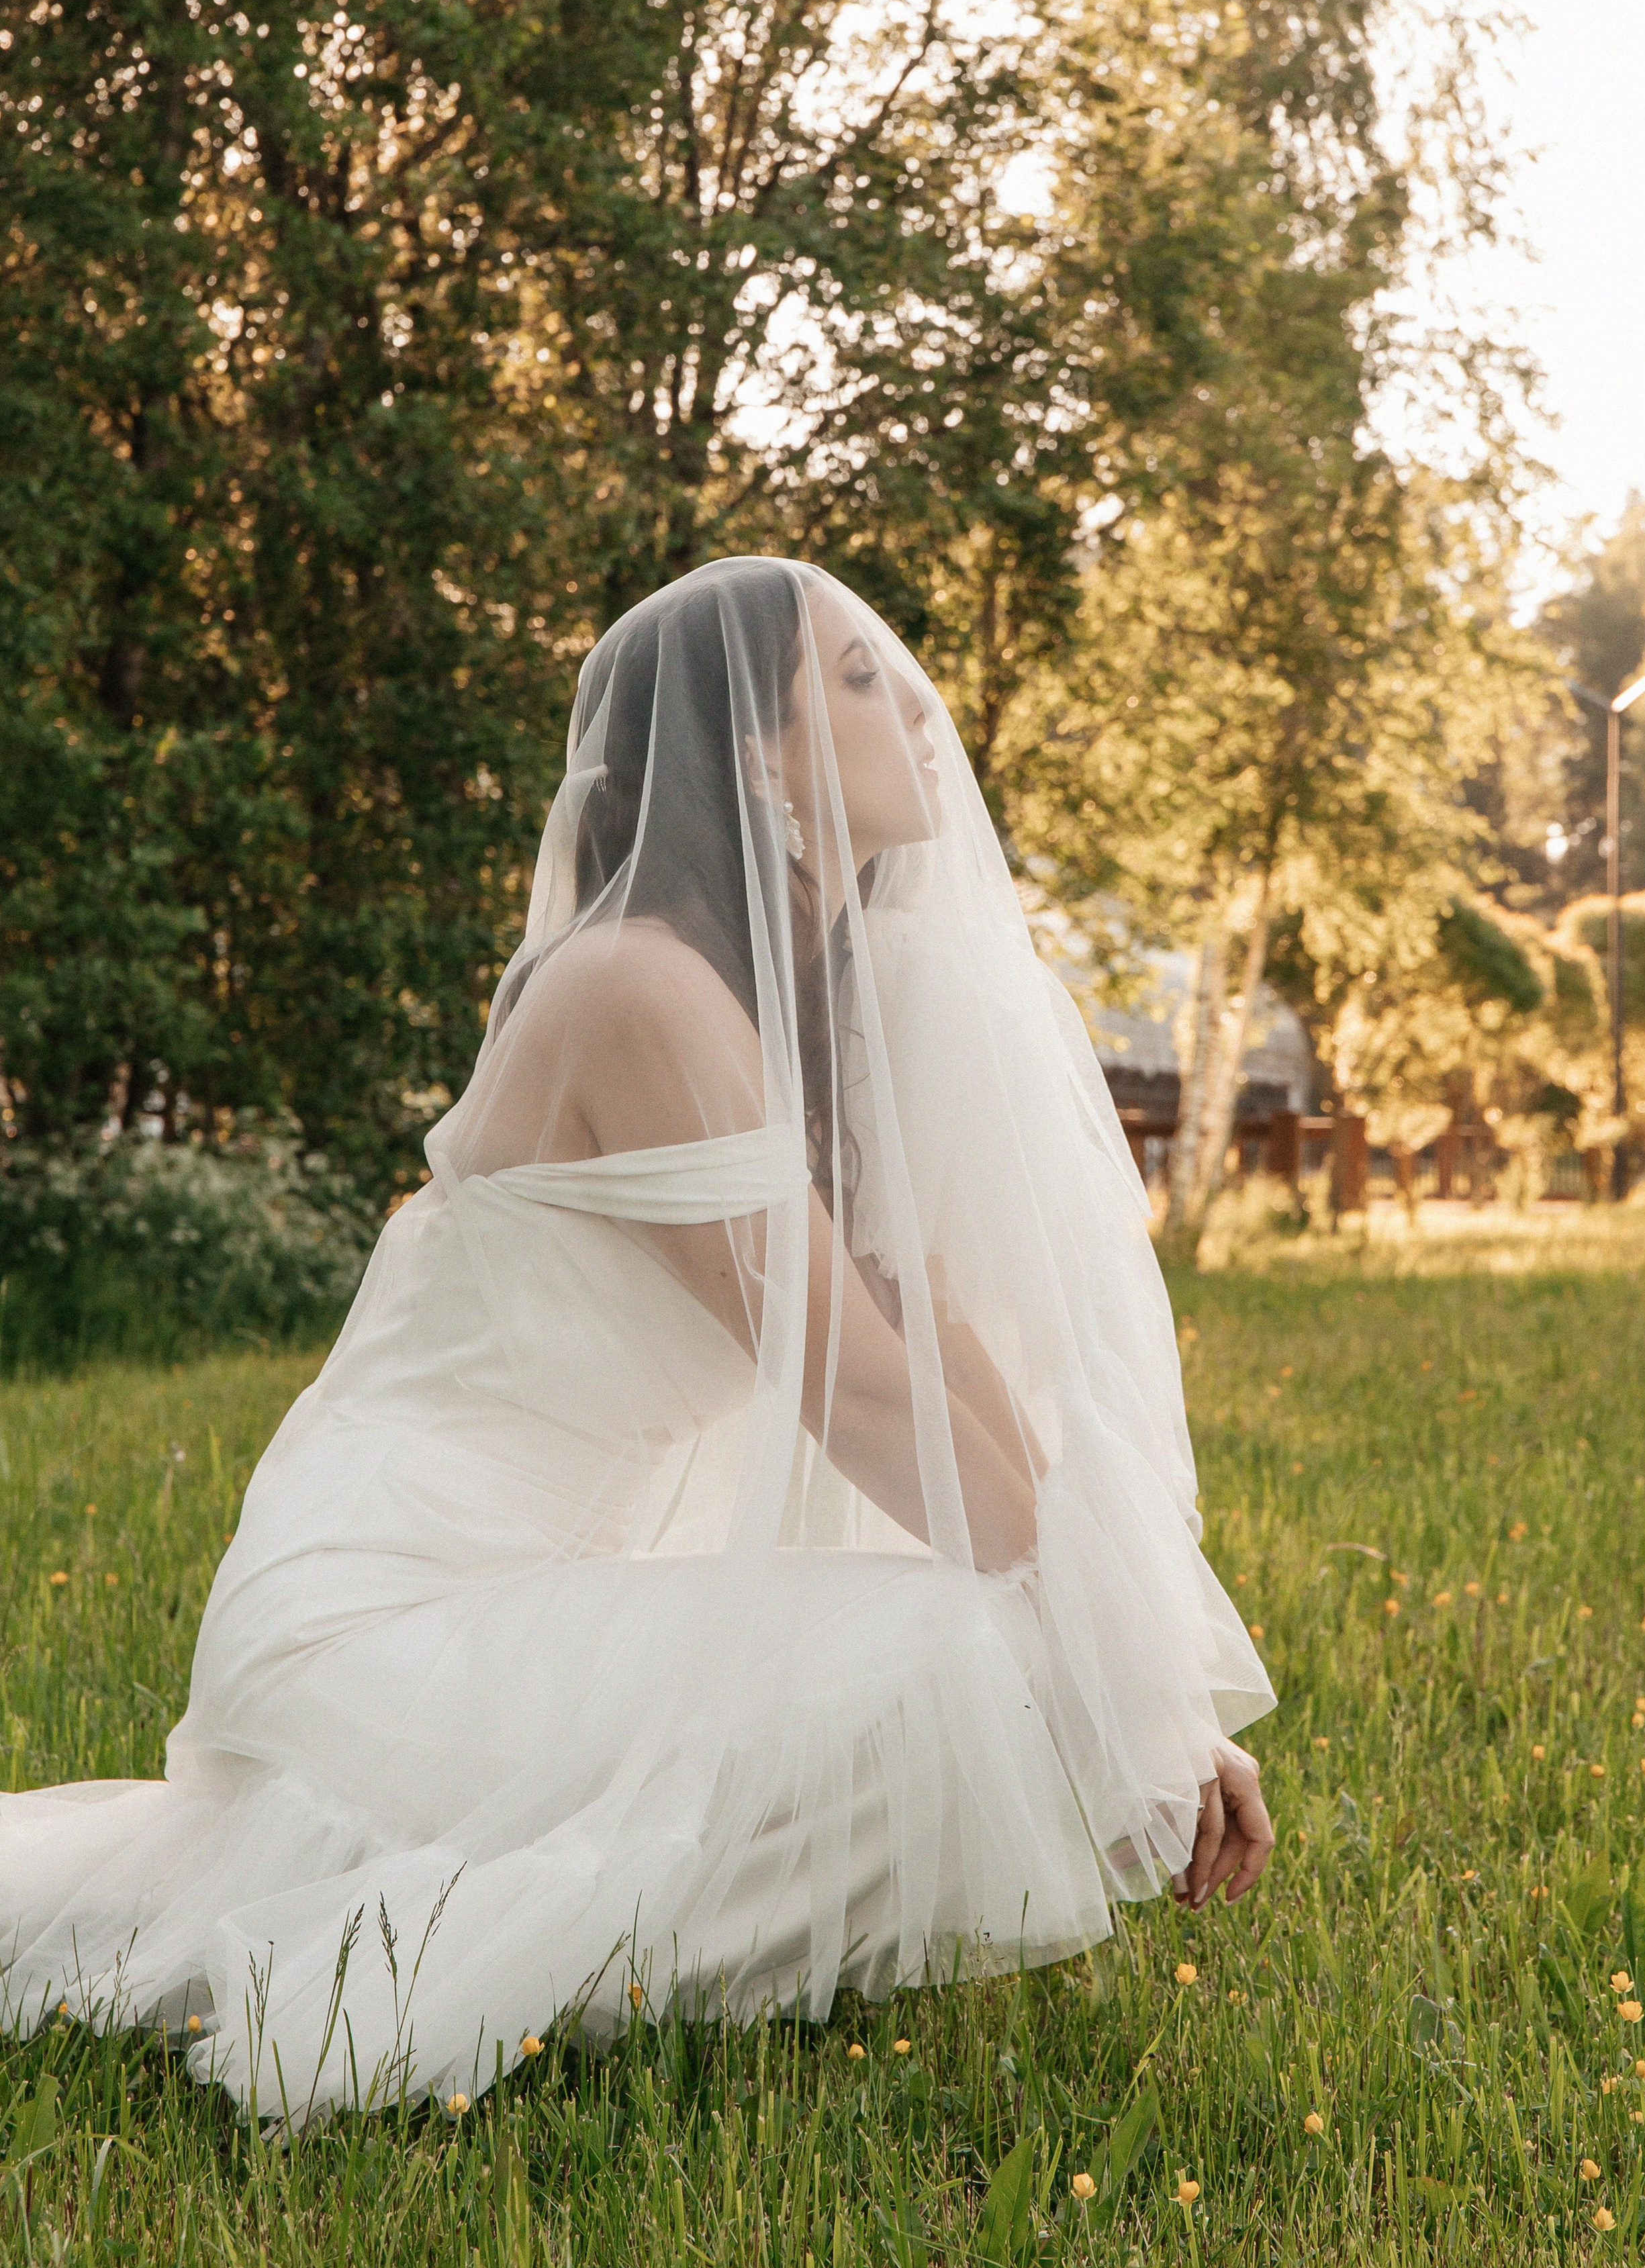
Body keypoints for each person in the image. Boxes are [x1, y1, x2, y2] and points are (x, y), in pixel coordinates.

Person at [0, 557, 1275, 2122]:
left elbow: (923, 1332)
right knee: (977, 1654)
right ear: (756, 748)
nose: (920, 706)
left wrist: (1137, 1670)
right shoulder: (633, 991)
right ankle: (375, 1974)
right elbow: (855, 1388)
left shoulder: (786, 1001)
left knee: (1008, 1641)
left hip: (537, 1589)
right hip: (389, 1604)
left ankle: (543, 1947)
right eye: (862, 679)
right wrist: (1116, 1674)